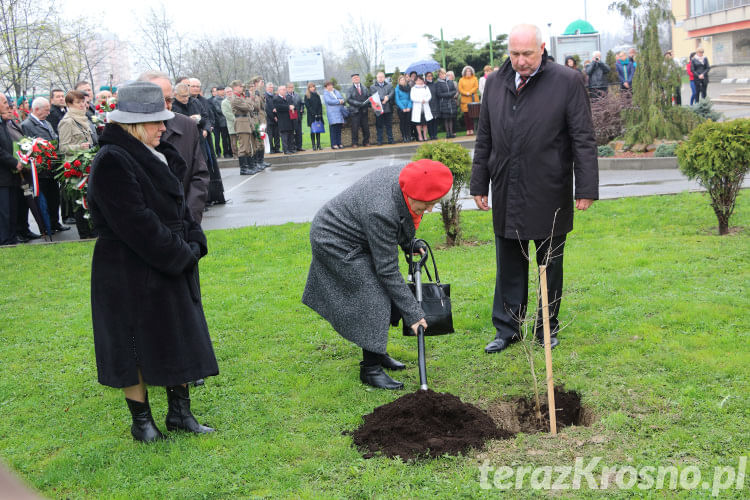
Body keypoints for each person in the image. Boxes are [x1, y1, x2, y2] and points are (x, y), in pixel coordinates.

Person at [87, 81, 218, 443]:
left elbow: (178, 208)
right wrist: (180, 253)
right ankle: (141, 421)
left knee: (175, 334)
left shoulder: (159, 152)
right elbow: (136, 222)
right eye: (157, 121)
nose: (165, 126)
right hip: (128, 268)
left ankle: (180, 413)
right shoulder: (112, 160)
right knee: (132, 344)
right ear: (132, 124)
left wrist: (194, 239)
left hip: (167, 261)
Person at [470, 24, 598, 354]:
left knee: (548, 264)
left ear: (541, 48)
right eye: (514, 54)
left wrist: (585, 186)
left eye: (527, 53)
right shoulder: (495, 82)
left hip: (549, 188)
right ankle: (508, 328)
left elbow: (583, 137)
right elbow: (484, 136)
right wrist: (479, 182)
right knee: (509, 262)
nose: (521, 61)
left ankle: (546, 327)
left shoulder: (567, 81)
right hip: (506, 187)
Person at [302, 159, 454, 389]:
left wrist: (408, 242)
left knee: (382, 293)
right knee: (374, 295)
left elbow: (400, 219)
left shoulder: (409, 178)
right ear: (409, 193)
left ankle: (377, 350)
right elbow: (387, 270)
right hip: (334, 240)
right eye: (424, 205)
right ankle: (370, 369)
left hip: (361, 234)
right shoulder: (380, 210)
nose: (430, 210)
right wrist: (414, 313)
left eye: (433, 204)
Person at [138, 71, 209, 224]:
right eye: (159, 100)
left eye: (169, 99)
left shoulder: (187, 126)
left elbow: (199, 176)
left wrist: (189, 220)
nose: (166, 105)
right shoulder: (129, 132)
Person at [21, 97, 70, 236]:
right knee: (43, 199)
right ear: (36, 109)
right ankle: (46, 226)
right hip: (40, 171)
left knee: (54, 198)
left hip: (52, 168)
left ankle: (55, 222)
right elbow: (28, 145)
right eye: (46, 110)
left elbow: (54, 138)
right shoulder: (27, 125)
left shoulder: (46, 123)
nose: (48, 113)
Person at [58, 91, 98, 238]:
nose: (83, 105)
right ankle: (84, 234)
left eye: (84, 102)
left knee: (90, 200)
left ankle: (93, 230)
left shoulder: (84, 119)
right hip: (75, 168)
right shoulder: (67, 122)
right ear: (69, 104)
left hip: (88, 165)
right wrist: (79, 147)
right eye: (78, 102)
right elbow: (63, 147)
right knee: (80, 203)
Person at [0, 93, 23, 246]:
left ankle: (12, 237)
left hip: (11, 174)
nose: (7, 105)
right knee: (4, 211)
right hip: (2, 175)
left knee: (13, 208)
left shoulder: (4, 123)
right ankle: (5, 239)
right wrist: (14, 162)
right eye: (3, 102)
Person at [369, 71, 395, 145]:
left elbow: (392, 93)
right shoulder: (373, 86)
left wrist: (388, 97)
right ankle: (379, 141)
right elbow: (374, 95)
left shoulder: (389, 85)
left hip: (388, 108)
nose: (380, 78)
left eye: (382, 77)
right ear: (377, 78)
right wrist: (384, 98)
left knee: (389, 125)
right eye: (379, 77)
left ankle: (391, 140)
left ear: (384, 77)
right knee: (379, 125)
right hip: (378, 108)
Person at [346, 73, 370, 148]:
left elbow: (368, 97)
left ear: (359, 78)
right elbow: (348, 99)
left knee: (365, 128)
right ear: (352, 80)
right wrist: (359, 104)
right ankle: (354, 143)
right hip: (355, 111)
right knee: (355, 128)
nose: (356, 79)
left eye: (357, 77)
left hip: (364, 111)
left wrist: (367, 103)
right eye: (354, 78)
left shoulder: (365, 88)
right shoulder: (349, 89)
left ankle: (366, 142)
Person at [322, 81, 345, 150]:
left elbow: (342, 98)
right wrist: (338, 101)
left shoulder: (336, 91)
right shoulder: (326, 93)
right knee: (333, 129)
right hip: (332, 114)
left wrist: (341, 100)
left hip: (339, 112)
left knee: (338, 129)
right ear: (326, 87)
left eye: (331, 85)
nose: (330, 87)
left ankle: (339, 143)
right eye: (328, 86)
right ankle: (334, 144)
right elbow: (329, 101)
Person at [273, 85, 295, 154]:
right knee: (284, 136)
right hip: (283, 120)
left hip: (290, 119)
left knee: (290, 135)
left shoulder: (288, 98)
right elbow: (279, 107)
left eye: (285, 89)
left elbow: (292, 105)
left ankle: (290, 148)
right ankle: (285, 150)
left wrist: (292, 106)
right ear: (279, 91)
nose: (284, 91)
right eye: (282, 90)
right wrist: (289, 107)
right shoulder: (276, 99)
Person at [409, 75, 432, 142]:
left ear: (422, 80)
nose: (419, 81)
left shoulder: (426, 87)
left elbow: (429, 96)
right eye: (417, 80)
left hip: (425, 106)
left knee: (425, 123)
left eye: (420, 80)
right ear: (415, 81)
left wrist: (425, 100)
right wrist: (420, 100)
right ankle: (420, 135)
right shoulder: (413, 88)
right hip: (417, 107)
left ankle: (425, 135)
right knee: (418, 123)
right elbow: (412, 97)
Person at [436, 69, 458, 138]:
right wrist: (449, 94)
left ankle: (451, 132)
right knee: (446, 118)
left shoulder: (450, 82)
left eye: (443, 74)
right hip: (444, 103)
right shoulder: (438, 83)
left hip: (451, 102)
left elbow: (454, 91)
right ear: (439, 75)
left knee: (451, 118)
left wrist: (450, 94)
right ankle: (447, 133)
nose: (442, 75)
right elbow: (439, 94)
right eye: (440, 74)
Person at [458, 66, 479, 135]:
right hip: (465, 100)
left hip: (473, 99)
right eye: (467, 71)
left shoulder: (475, 78)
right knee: (466, 116)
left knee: (473, 115)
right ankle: (468, 129)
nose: (468, 72)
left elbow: (476, 87)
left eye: (469, 71)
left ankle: (473, 129)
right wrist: (466, 93)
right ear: (464, 72)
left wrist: (470, 92)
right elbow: (460, 89)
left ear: (472, 72)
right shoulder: (461, 80)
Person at [303, 82, 324, 151]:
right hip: (311, 116)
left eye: (313, 87)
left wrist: (319, 114)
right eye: (311, 87)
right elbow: (308, 106)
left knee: (318, 130)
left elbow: (320, 105)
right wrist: (314, 114)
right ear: (308, 88)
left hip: (318, 115)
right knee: (313, 131)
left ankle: (319, 144)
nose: (312, 88)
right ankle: (313, 145)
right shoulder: (307, 96)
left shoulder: (317, 95)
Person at [286, 83, 305, 152]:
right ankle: (292, 147)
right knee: (291, 133)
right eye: (289, 87)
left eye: (292, 87)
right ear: (287, 88)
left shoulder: (297, 95)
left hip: (298, 116)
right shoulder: (285, 96)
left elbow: (302, 103)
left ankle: (299, 146)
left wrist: (302, 109)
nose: (291, 89)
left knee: (299, 132)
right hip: (290, 117)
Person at [394, 75, 413, 143]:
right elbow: (397, 100)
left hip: (408, 107)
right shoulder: (397, 89)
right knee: (403, 123)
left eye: (403, 80)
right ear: (399, 81)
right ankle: (404, 136)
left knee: (408, 123)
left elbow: (411, 98)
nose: (402, 81)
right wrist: (403, 108)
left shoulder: (408, 88)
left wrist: (409, 107)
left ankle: (409, 136)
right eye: (401, 80)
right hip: (401, 108)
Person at [221, 86, 237, 157]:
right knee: (233, 140)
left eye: (230, 91)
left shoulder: (237, 99)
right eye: (227, 92)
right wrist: (235, 118)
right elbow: (226, 113)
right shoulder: (224, 102)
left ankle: (243, 153)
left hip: (240, 123)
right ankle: (235, 154)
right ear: (225, 93)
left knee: (241, 139)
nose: (229, 93)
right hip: (231, 123)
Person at [264, 83, 280, 153]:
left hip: (276, 118)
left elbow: (277, 106)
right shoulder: (265, 97)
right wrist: (274, 117)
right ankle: (271, 149)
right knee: (270, 135)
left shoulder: (274, 96)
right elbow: (267, 109)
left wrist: (277, 116)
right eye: (270, 87)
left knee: (277, 134)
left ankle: (277, 148)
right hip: (269, 119)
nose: (271, 89)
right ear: (266, 88)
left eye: (272, 87)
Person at [424, 72, 439, 140]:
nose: (429, 77)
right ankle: (431, 135)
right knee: (430, 121)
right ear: (426, 77)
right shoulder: (425, 85)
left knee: (435, 120)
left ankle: (435, 134)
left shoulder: (435, 84)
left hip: (435, 103)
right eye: (428, 76)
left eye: (431, 76)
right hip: (428, 104)